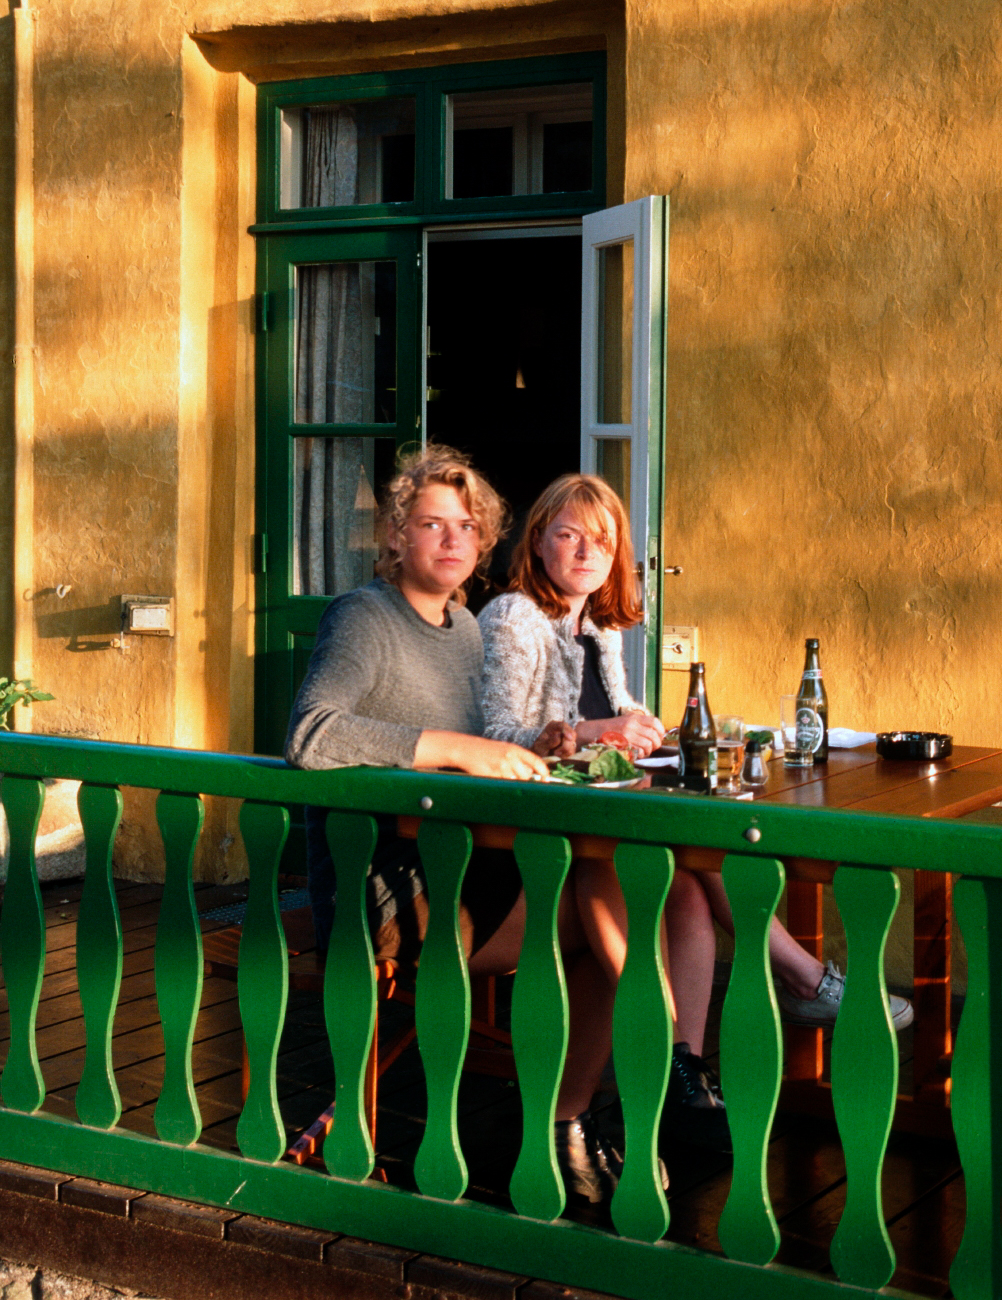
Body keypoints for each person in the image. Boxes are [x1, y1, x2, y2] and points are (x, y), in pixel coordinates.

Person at [479, 473, 913, 1149]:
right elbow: (499, 734)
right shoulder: (513, 617)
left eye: (603, 539)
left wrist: (637, 722)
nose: (586, 552)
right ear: (537, 543)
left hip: (600, 824)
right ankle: (799, 977)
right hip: (536, 839)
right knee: (695, 856)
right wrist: (600, 734)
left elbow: (612, 716)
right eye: (568, 535)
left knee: (687, 883)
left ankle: (685, 1075)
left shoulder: (596, 626)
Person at [284, 446, 624, 1203]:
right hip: (390, 897)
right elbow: (310, 736)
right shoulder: (363, 617)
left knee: (617, 894)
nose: (450, 541)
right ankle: (646, 1070)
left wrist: (533, 746)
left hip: (465, 872)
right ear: (395, 537)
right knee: (605, 907)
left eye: (467, 527)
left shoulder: (468, 629)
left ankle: (571, 1119)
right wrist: (457, 749)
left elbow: (483, 752)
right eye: (430, 524)